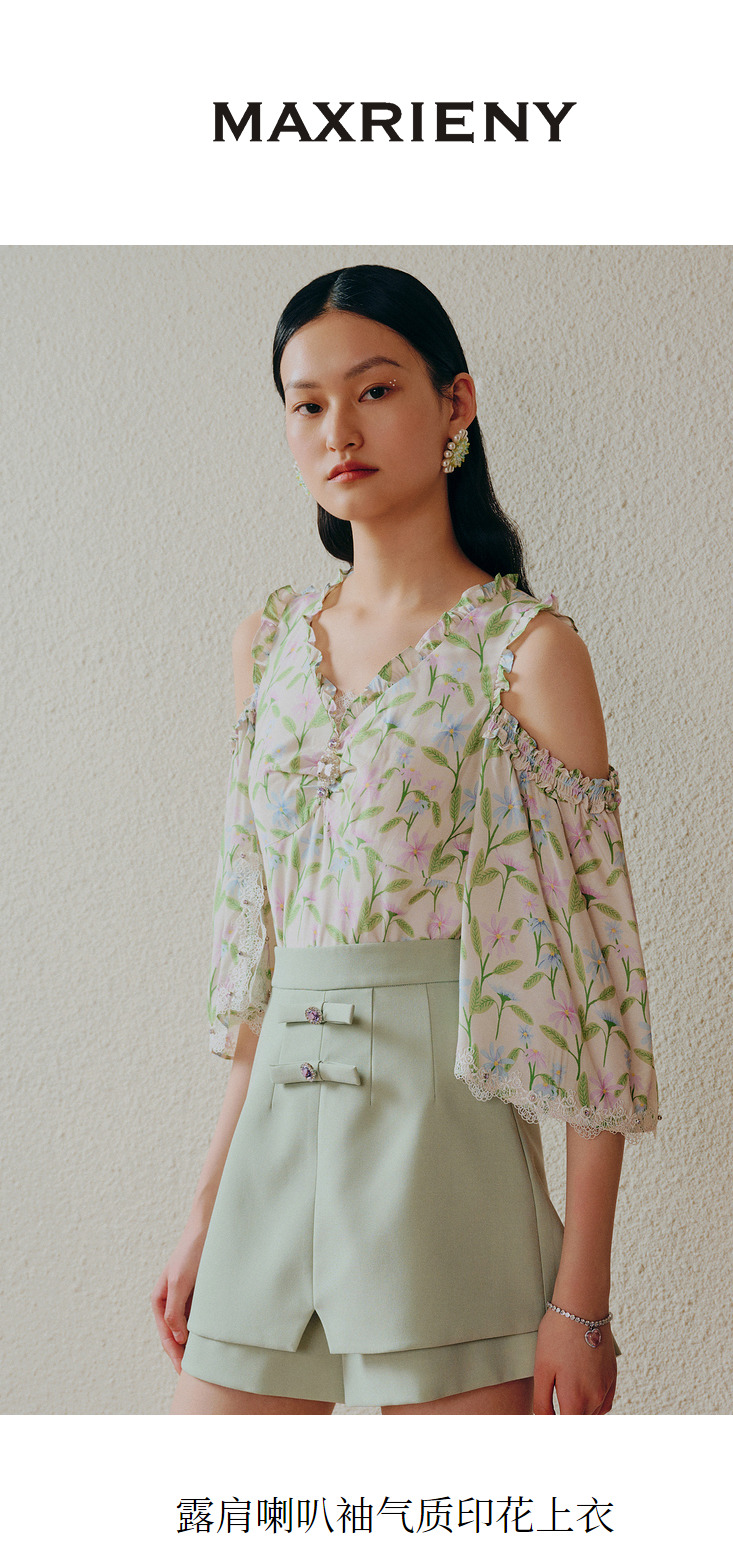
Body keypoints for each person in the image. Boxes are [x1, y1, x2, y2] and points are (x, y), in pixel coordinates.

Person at [152, 263, 660, 1417]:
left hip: (446, 1157)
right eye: (307, 403)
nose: (339, 430)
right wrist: (205, 1208)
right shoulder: (266, 643)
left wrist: (581, 1299)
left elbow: (594, 995)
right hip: (271, 1154)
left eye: (375, 390)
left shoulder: (525, 651)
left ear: (455, 404)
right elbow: (263, 958)